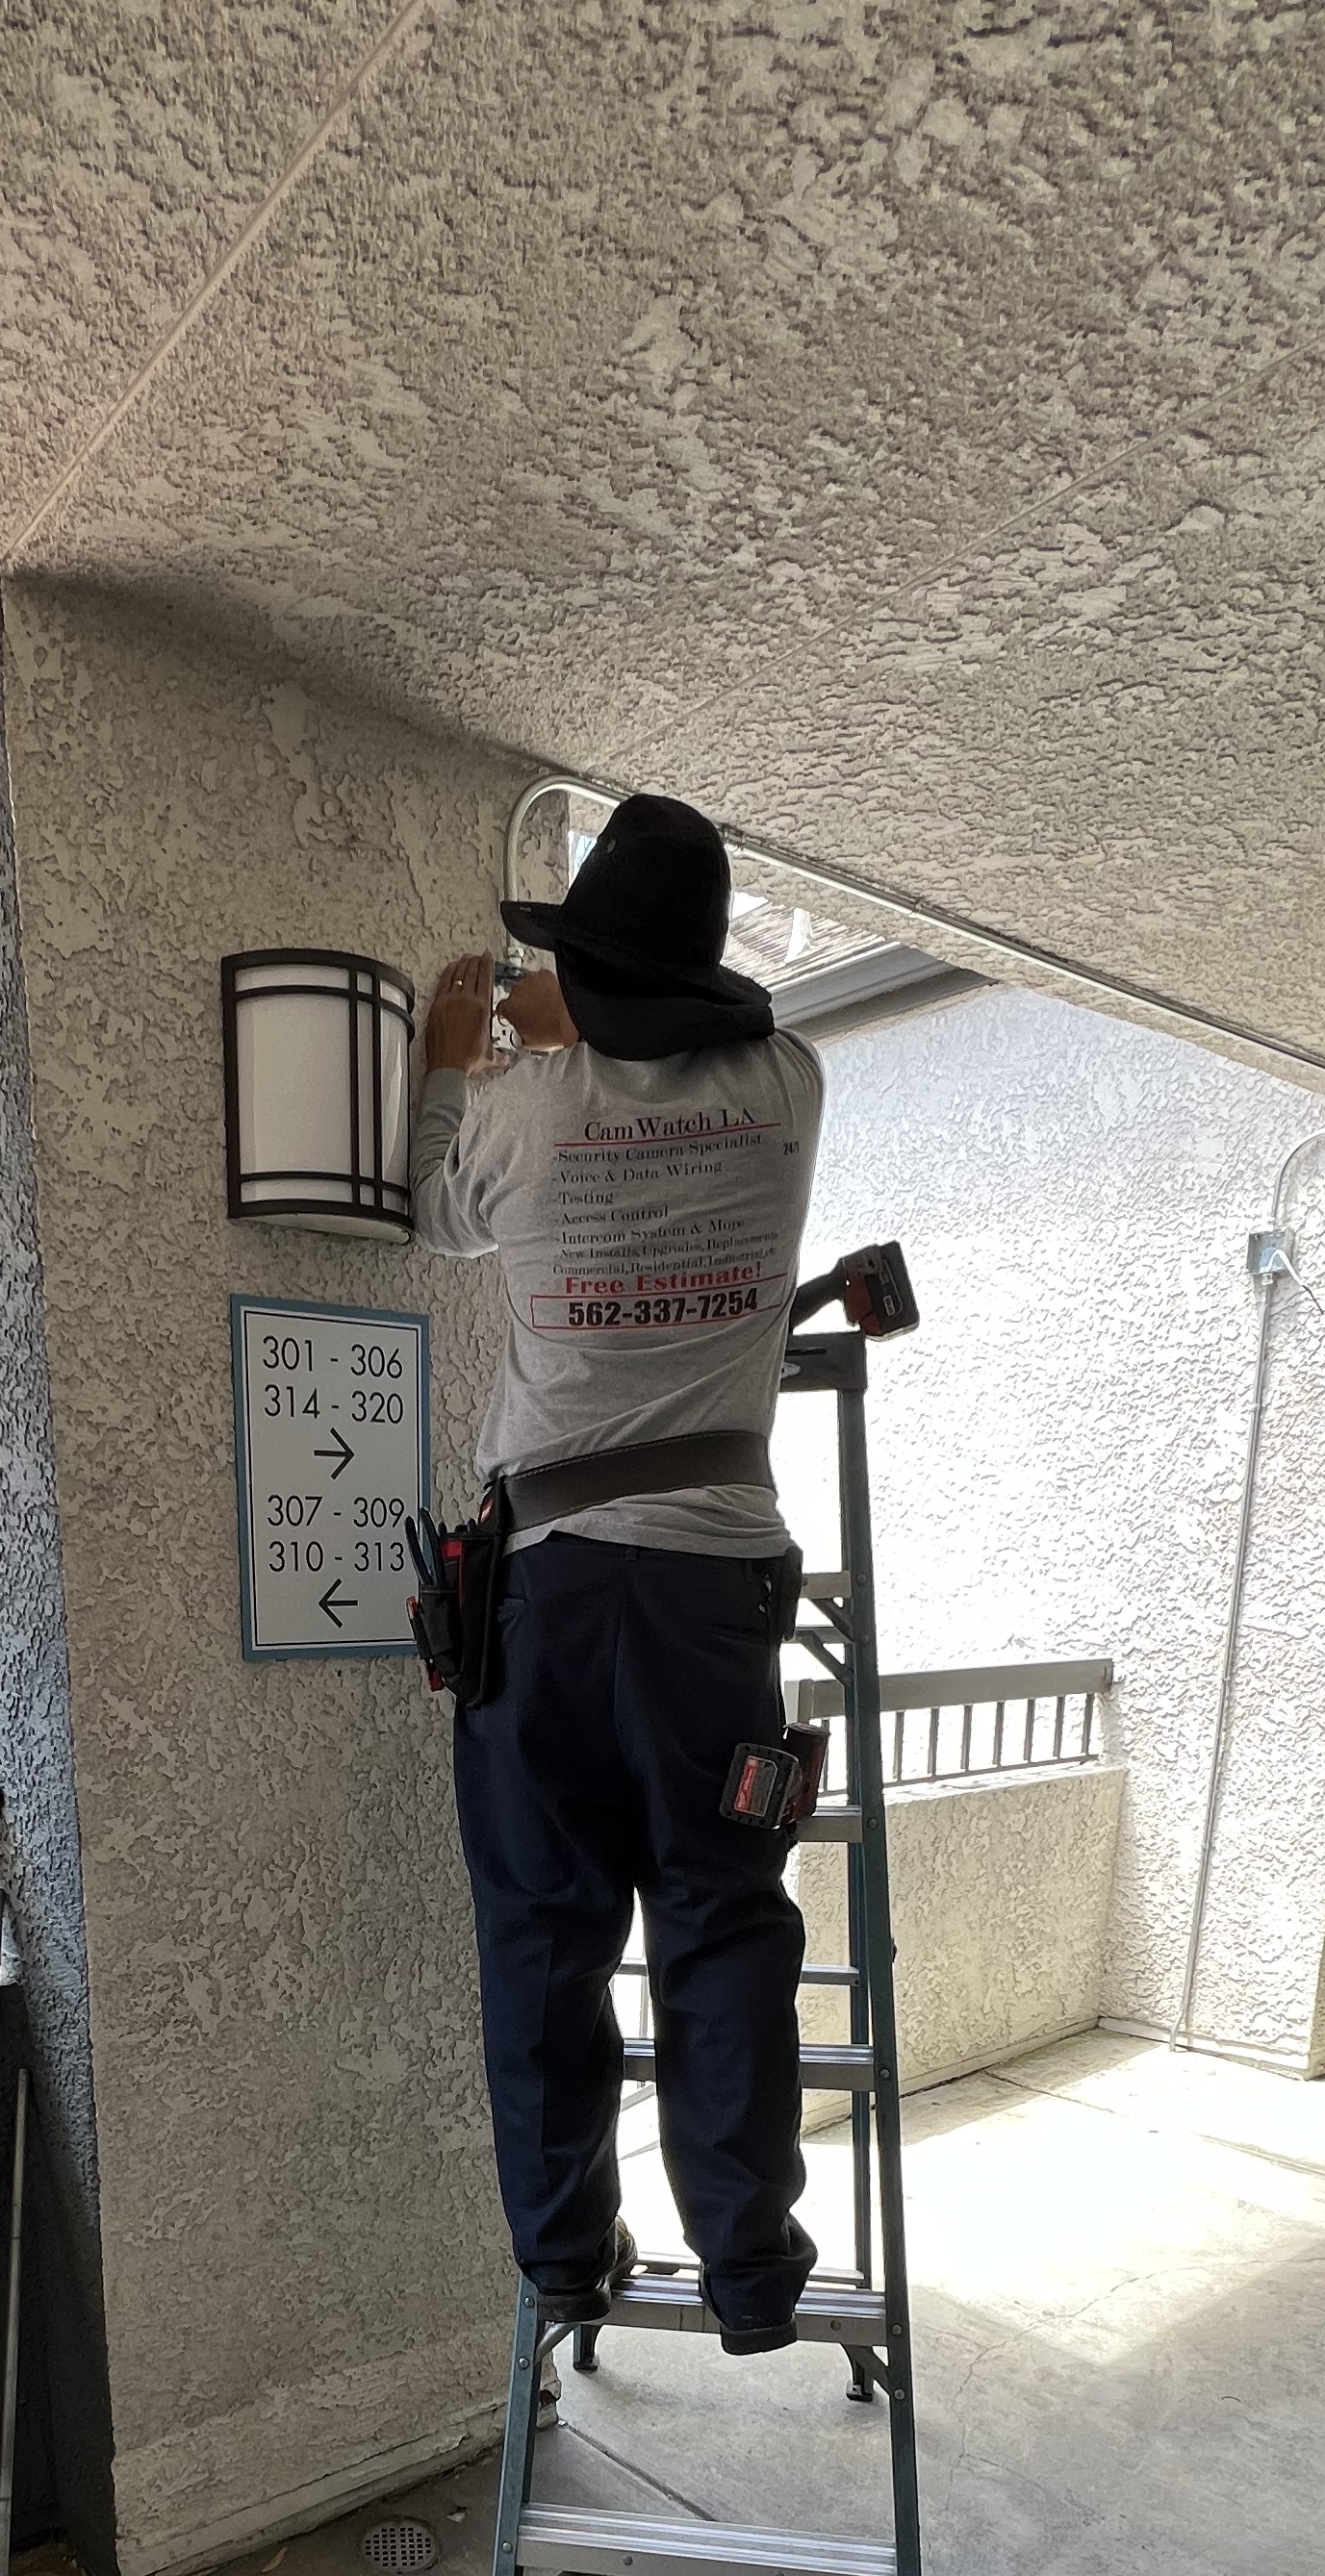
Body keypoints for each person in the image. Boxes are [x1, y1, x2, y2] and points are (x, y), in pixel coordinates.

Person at [410, 793, 826, 2354]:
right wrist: (577, 1002)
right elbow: (696, 1033)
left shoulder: (518, 1112)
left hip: (551, 1592)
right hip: (716, 1587)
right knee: (721, 1925)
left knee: (545, 1932)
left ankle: (565, 2262)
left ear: (583, 978)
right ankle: (750, 2273)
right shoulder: (791, 1087)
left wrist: (469, 1045)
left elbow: (429, 1214)